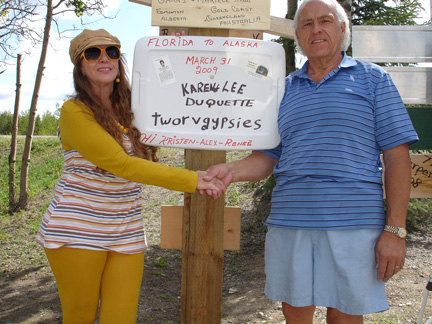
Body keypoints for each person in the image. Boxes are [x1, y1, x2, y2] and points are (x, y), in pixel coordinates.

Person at [203, 0, 419, 323]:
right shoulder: (282, 89)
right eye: (306, 24)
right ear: (298, 37)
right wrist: (230, 171)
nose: (316, 29)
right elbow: (268, 156)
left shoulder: (374, 81)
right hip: (291, 223)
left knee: (345, 317)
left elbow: (397, 157)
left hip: (354, 225)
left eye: (325, 21)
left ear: (342, 29)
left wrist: (395, 229)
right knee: (295, 314)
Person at [36, 29, 225, 324]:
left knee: (121, 318)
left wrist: (173, 48)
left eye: (111, 52)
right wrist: (192, 180)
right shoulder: (73, 111)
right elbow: (122, 165)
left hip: (126, 227)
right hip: (78, 228)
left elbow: (177, 95)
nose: (104, 58)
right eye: (92, 53)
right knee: (80, 316)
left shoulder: (133, 107)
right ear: (80, 66)